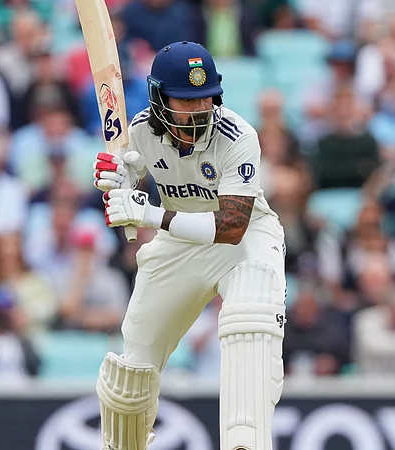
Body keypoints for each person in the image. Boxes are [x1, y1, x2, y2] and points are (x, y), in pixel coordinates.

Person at [92, 42, 286, 450]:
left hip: (246, 239)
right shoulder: (141, 131)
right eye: (186, 101)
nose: (199, 111)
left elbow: (231, 227)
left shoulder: (238, 136)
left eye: (205, 99)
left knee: (249, 328)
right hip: (180, 242)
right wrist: (117, 184)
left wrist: (149, 215)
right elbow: (125, 178)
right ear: (161, 98)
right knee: (131, 376)